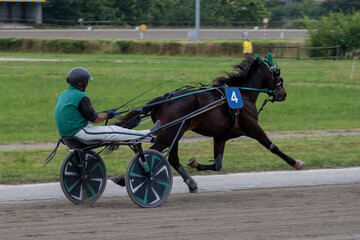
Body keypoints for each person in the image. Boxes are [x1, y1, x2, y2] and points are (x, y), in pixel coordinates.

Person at [55, 67, 160, 142]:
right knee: (115, 131)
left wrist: (107, 114)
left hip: (66, 134)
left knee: (114, 130)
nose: (87, 84)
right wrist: (108, 115)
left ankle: (147, 135)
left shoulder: (63, 95)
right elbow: (95, 119)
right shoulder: (80, 96)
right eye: (87, 82)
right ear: (80, 83)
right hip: (80, 132)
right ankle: (149, 134)